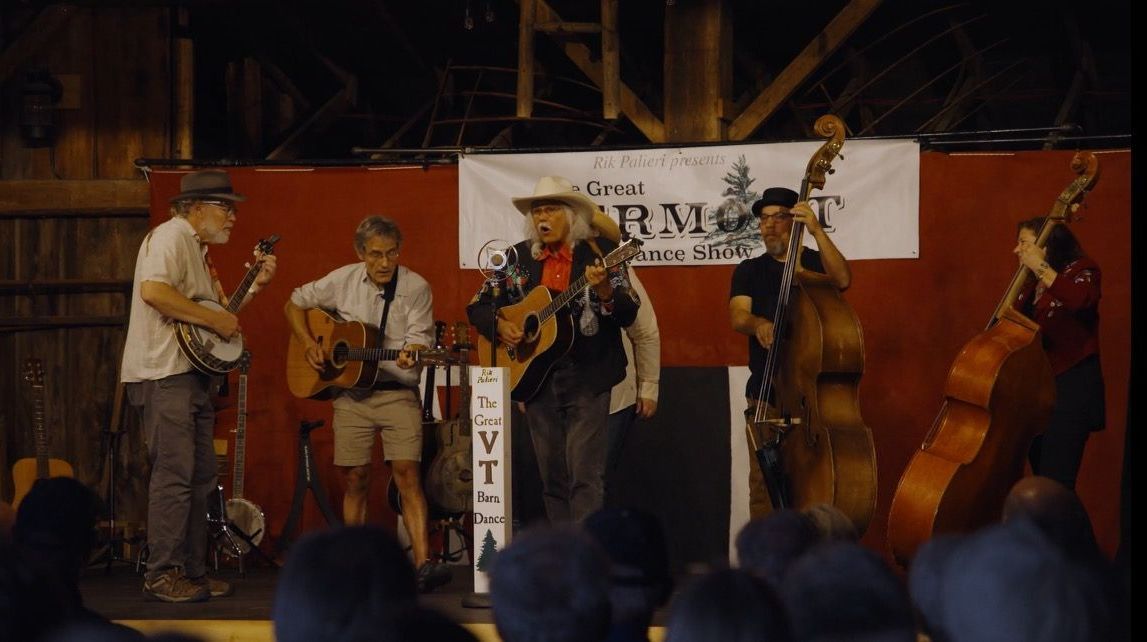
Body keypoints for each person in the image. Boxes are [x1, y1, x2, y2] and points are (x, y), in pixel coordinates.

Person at [121, 169, 276, 602]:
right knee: (175, 473)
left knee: (201, 475)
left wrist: (255, 286)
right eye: (224, 207)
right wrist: (213, 318)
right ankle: (162, 573)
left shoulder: (197, 250)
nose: (232, 217)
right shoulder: (171, 236)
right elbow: (154, 291)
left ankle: (192, 571)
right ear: (194, 208)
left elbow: (217, 318)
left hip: (191, 376)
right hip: (164, 374)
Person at [284, 215, 450, 592]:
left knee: (407, 474)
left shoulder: (416, 287)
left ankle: (423, 564)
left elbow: (420, 338)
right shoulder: (341, 280)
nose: (384, 262)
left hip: (397, 393)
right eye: (376, 254)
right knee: (356, 478)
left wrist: (414, 351)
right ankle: (353, 565)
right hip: (352, 395)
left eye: (391, 253)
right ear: (361, 253)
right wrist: (309, 344)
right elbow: (294, 303)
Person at [467, 176, 640, 523]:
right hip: (536, 379)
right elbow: (477, 306)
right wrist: (500, 325)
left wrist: (605, 291)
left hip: (588, 376)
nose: (542, 218)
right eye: (537, 211)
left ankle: (584, 551)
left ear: (571, 215)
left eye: (550, 210)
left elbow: (628, 311)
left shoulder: (602, 254)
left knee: (585, 476)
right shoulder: (515, 258)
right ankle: (562, 548)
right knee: (552, 478)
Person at [727, 186, 850, 519]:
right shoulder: (749, 270)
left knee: (816, 481)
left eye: (778, 218)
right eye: (764, 219)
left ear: (795, 221)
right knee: (764, 485)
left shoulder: (813, 263)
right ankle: (766, 548)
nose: (769, 226)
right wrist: (758, 324)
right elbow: (738, 316)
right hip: (766, 393)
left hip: (813, 398)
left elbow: (842, 279)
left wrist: (817, 230)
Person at [1013, 218, 1104, 490]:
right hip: (1039, 394)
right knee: (1043, 485)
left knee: (1057, 485)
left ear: (1046, 246)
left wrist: (1040, 268)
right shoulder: (1029, 286)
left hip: (1071, 388)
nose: (1017, 250)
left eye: (1024, 243)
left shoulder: (1083, 270)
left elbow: (1080, 299)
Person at [605, 269, 660, 502]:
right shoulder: (539, 264)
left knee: (595, 481)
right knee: (556, 484)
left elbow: (645, 330)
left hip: (612, 397)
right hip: (552, 398)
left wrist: (648, 385)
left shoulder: (614, 266)